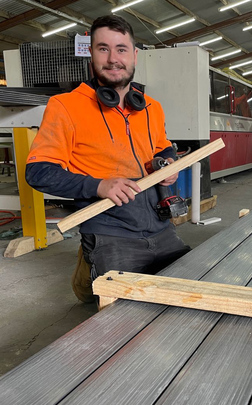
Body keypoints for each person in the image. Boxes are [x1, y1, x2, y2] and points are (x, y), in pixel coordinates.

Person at [25, 15, 190, 297]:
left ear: (135, 55)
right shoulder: (65, 106)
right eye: (103, 48)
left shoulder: (151, 107)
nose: (113, 59)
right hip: (110, 228)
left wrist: (167, 162)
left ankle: (89, 263)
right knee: (125, 315)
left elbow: (163, 147)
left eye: (121, 49)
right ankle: (90, 264)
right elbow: (38, 171)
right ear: (91, 54)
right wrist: (99, 185)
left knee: (190, 289)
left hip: (159, 224)